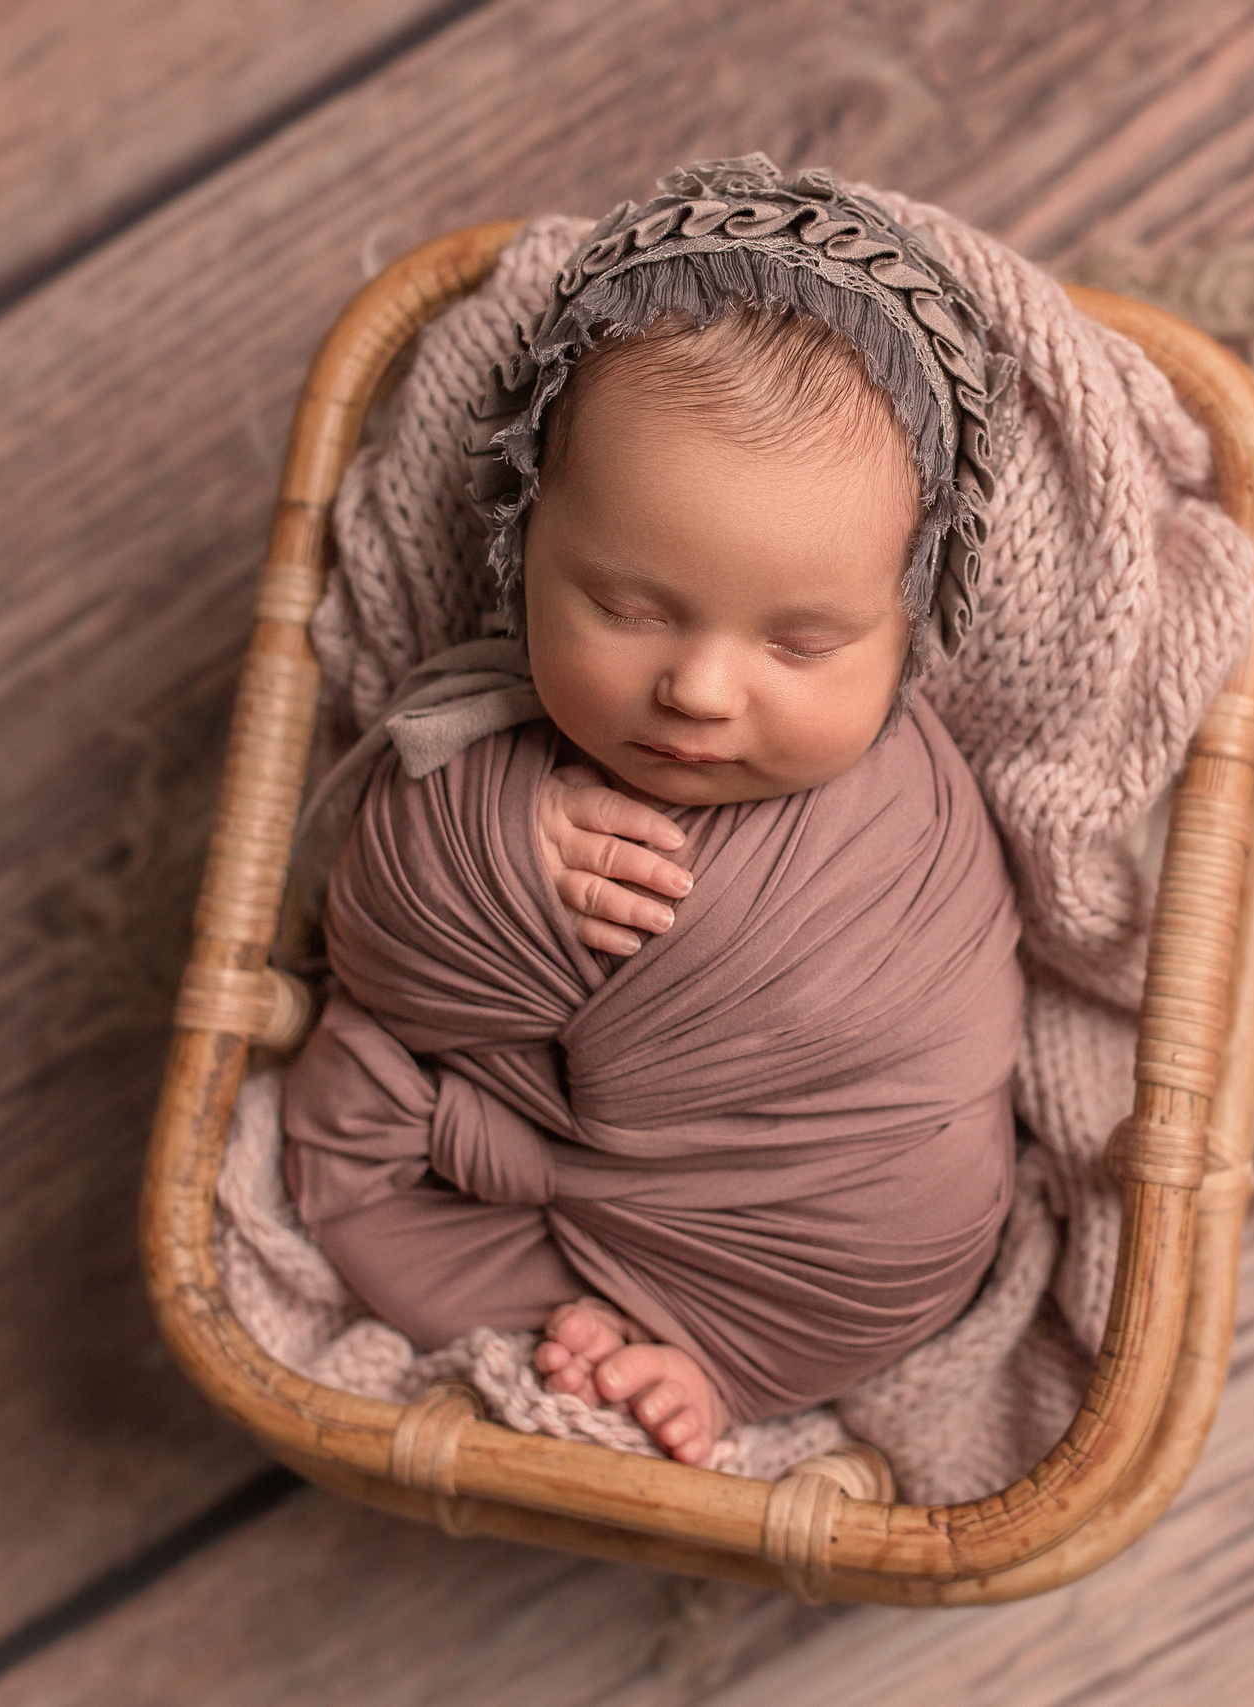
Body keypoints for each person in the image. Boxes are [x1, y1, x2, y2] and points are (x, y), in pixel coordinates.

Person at [280, 158, 1025, 1466]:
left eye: (801, 645)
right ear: (522, 542)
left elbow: (936, 1058)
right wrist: (497, 862)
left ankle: (716, 1357)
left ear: (910, 631)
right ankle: (615, 1319)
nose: (698, 688)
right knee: (381, 1082)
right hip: (536, 1162)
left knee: (926, 1203)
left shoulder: (905, 822)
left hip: (819, 1236)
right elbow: (372, 947)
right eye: (627, 608)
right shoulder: (476, 736)